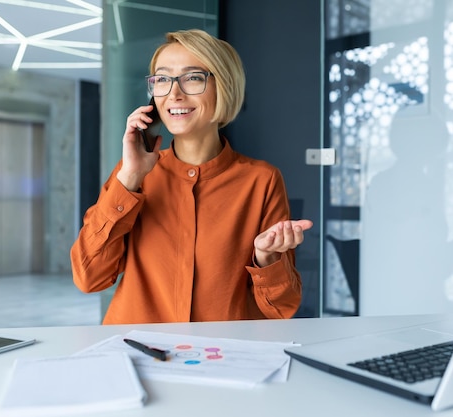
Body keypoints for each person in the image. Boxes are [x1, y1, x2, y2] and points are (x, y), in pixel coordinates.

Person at [71, 29, 313, 324]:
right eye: (162, 79)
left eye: (193, 78)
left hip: (221, 355)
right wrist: (129, 178)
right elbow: (88, 278)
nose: (174, 93)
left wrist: (266, 258)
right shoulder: (131, 176)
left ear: (224, 86)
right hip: (136, 350)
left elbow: (281, 308)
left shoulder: (261, 180)